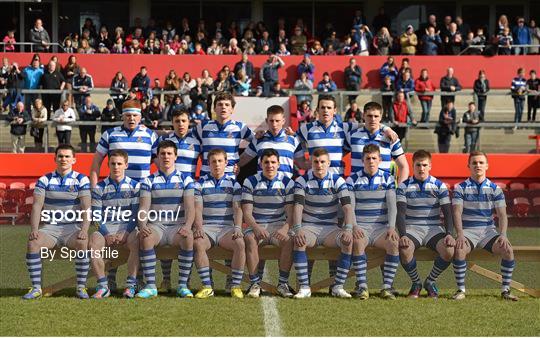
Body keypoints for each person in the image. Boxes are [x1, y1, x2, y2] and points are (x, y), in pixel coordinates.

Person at [22, 144, 91, 299]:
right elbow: (37, 206)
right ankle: (36, 288)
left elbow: (86, 207)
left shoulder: (81, 179)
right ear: (55, 159)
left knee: (82, 242)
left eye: (67, 156)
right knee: (33, 243)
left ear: (74, 159)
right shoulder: (44, 179)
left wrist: (84, 230)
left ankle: (81, 287)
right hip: (49, 229)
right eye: (60, 156)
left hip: (72, 228)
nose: (63, 159)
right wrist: (34, 229)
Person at [452, 151, 518, 301]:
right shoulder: (460, 188)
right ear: (468, 166)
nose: (478, 165)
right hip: (468, 232)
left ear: (487, 166)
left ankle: (505, 290)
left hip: (488, 232)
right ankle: (461, 290)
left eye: (481, 162)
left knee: (507, 249)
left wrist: (503, 234)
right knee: (460, 249)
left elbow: (502, 215)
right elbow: (456, 213)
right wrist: (460, 234)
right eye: (474, 163)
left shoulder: (495, 189)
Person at [291, 147, 355, 298]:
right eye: (316, 162)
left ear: (329, 163)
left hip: (330, 229)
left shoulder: (338, 180)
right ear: (311, 163)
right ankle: (305, 288)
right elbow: (298, 206)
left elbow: (347, 207)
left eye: (322, 162)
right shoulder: (302, 180)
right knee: (299, 241)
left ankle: (337, 287)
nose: (319, 165)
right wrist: (298, 229)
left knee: (348, 241)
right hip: (309, 227)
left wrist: (348, 228)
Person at [135, 140, 196, 299]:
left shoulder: (186, 179)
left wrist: (188, 225)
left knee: (188, 237)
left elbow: (190, 208)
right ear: (157, 156)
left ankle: (182, 285)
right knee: (146, 237)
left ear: (176, 156)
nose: (166, 157)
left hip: (177, 226)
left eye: (169, 153)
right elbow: (144, 208)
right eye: (162, 154)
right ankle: (151, 286)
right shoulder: (148, 180)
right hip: (157, 226)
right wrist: (142, 225)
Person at [397, 150, 455, 298]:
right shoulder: (403, 186)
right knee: (404, 248)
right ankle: (416, 283)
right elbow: (401, 213)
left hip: (433, 229)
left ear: (430, 166)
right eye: (418, 165)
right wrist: (403, 235)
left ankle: (430, 281)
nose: (421, 168)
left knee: (449, 250)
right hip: (412, 228)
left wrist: (449, 234)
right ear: (413, 166)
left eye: (424, 165)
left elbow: (448, 213)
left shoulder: (439, 186)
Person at [346, 144, 399, 300]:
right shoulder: (353, 179)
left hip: (381, 228)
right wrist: (354, 226)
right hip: (361, 227)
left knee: (394, 243)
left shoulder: (388, 178)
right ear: (362, 160)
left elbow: (392, 206)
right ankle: (362, 286)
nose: (371, 161)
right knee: (357, 243)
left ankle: (387, 287)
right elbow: (350, 207)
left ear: (380, 160)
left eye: (374, 158)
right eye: (368, 158)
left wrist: (391, 227)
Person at [192, 148, 245, 298]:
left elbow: (237, 208)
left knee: (240, 243)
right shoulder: (199, 183)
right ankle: (207, 286)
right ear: (208, 164)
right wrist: (199, 227)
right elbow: (198, 208)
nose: (217, 164)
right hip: (207, 228)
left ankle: (235, 285)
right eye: (213, 161)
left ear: (226, 163)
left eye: (220, 161)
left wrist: (238, 227)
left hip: (226, 229)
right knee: (198, 243)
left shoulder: (234, 184)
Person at [242, 149, 295, 298]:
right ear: (261, 164)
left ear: (278, 164)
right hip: (257, 225)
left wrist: (285, 229)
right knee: (249, 239)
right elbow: (247, 213)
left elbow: (291, 213)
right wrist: (257, 228)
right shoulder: (250, 181)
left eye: (273, 162)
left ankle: (283, 283)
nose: (270, 165)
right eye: (266, 162)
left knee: (289, 240)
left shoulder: (287, 182)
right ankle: (254, 284)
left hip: (278, 225)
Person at [89, 149, 140, 299]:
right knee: (93, 242)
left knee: (137, 240)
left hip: (128, 228)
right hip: (107, 228)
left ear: (126, 165)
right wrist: (106, 234)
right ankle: (103, 286)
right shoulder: (99, 187)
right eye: (113, 164)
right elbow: (96, 217)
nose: (116, 167)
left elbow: (136, 214)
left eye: (119, 164)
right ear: (108, 165)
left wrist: (126, 232)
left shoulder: (135, 186)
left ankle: (131, 285)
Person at [192, 91, 253, 177]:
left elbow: (256, 142)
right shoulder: (203, 126)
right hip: (205, 178)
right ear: (214, 108)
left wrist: (240, 163)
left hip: (229, 179)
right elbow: (188, 140)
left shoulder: (240, 127)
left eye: (227, 105)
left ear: (232, 109)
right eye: (220, 104)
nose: (223, 107)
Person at [346, 101, 409, 183]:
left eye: (376, 116)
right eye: (369, 116)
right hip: (357, 190)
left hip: (384, 190)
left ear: (380, 117)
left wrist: (400, 190)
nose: (373, 119)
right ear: (363, 115)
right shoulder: (352, 136)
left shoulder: (390, 137)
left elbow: (404, 167)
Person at [239, 105, 303, 178]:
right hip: (263, 187)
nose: (274, 124)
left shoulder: (293, 140)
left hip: (285, 186)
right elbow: (242, 160)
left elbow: (304, 164)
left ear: (283, 121)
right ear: (266, 121)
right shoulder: (258, 139)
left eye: (277, 121)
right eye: (271, 121)